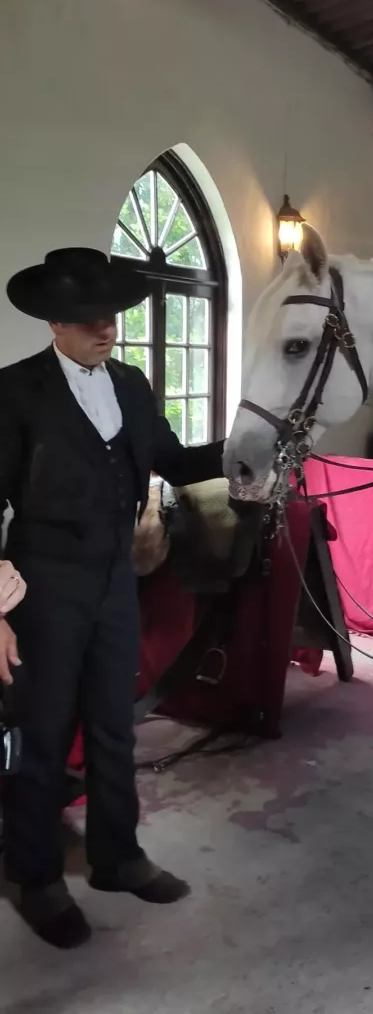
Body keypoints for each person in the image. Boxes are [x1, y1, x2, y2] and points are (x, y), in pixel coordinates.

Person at [0, 247, 226, 949]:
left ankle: (116, 857)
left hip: (115, 582)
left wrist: (249, 446)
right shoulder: (12, 393)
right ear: (54, 324)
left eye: (111, 314)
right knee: (40, 737)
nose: (106, 327)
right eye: (88, 317)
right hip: (41, 587)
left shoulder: (130, 385)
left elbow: (177, 461)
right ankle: (35, 876)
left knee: (111, 726)